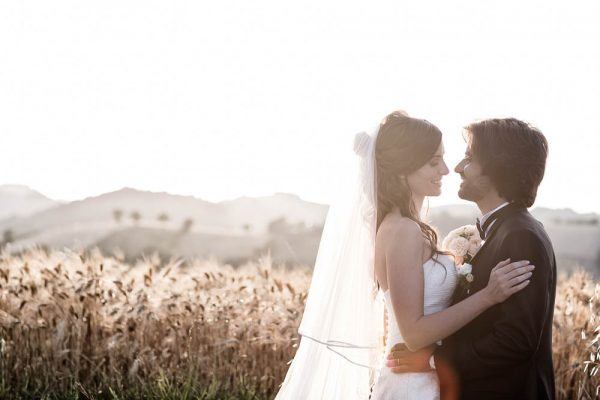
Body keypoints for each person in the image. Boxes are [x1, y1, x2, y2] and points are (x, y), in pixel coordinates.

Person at [275, 111, 533, 400]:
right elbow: (414, 334)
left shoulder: (409, 229)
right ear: (402, 170)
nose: (446, 170)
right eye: (434, 162)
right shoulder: (402, 230)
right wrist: (488, 295)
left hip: (428, 377)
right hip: (412, 384)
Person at [386, 118, 556, 400]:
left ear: (496, 171)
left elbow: (515, 341)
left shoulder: (520, 236)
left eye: (468, 158)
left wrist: (433, 361)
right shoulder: (500, 231)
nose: (456, 168)